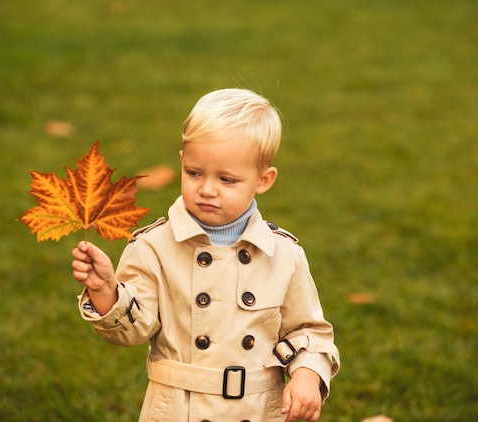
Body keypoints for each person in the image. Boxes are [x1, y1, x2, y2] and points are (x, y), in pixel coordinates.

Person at [72, 88, 340, 422]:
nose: (207, 189)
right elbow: (131, 332)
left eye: (227, 180)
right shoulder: (153, 247)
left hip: (258, 411)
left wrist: (307, 375)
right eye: (195, 173)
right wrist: (106, 292)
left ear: (264, 180)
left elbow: (309, 331)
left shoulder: (283, 254)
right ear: (182, 161)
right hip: (178, 411)